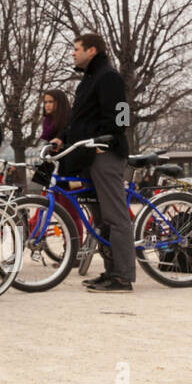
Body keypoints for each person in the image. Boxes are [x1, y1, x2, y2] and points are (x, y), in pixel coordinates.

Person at [52, 32, 133, 293]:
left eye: (77, 49)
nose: (73, 53)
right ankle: (111, 271)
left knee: (116, 216)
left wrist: (107, 142)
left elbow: (122, 115)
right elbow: (81, 121)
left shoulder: (108, 77)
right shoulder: (88, 80)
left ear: (92, 50)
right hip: (88, 154)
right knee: (100, 217)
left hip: (104, 154)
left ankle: (122, 277)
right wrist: (62, 138)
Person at [36, 89, 82, 237]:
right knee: (44, 205)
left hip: (67, 169)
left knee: (69, 212)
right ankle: (34, 231)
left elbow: (70, 139)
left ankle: (74, 248)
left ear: (59, 103)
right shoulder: (48, 121)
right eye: (46, 102)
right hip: (52, 168)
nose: (47, 105)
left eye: (51, 102)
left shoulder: (69, 120)